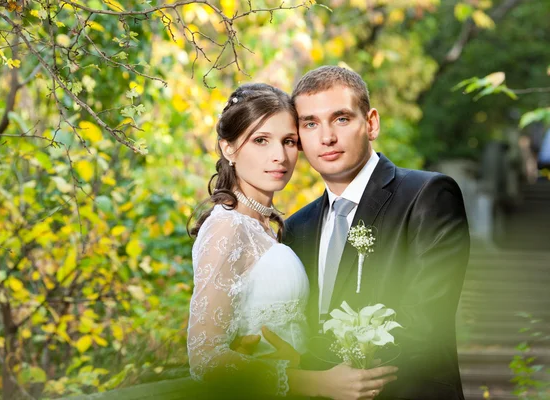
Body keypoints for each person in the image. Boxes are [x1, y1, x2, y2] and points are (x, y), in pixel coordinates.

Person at [187, 83, 398, 400]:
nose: (279, 156)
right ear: (228, 148)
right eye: (261, 140)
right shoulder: (227, 227)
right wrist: (317, 383)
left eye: (288, 141)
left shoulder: (266, 228)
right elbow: (203, 357)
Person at [281, 66, 470, 399]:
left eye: (341, 119)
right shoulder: (297, 227)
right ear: (299, 139)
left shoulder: (428, 195)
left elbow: (426, 320)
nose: (326, 137)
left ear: (371, 123)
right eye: (310, 123)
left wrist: (346, 370)